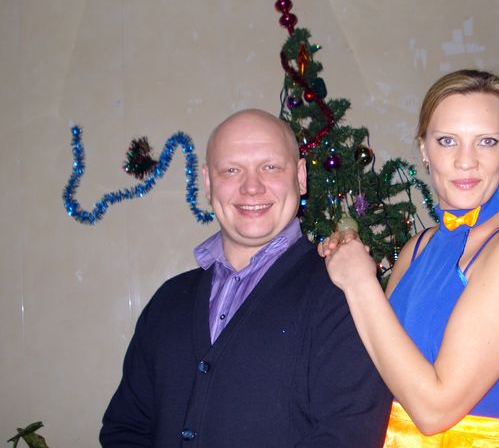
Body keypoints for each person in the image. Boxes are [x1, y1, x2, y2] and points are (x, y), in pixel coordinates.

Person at [100, 109, 392, 447]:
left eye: (270, 167)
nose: (252, 187)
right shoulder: (168, 300)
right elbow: (125, 429)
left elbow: (348, 435)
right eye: (231, 170)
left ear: (300, 177)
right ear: (208, 183)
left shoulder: (343, 292)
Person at [319, 70, 499, 447]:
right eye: (447, 141)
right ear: (424, 148)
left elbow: (434, 411)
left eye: (487, 141)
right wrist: (338, 273)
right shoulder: (419, 246)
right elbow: (377, 369)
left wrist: (360, 283)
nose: (466, 161)